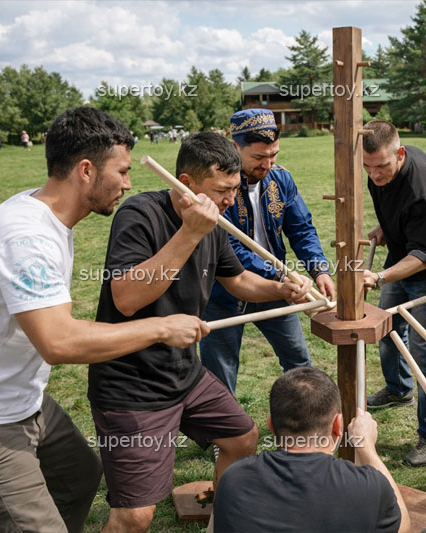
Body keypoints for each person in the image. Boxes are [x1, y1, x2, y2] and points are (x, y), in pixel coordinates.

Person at [0, 107, 210, 532]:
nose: (128, 182)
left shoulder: (47, 218)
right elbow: (59, 342)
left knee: (79, 478)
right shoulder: (26, 236)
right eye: (120, 171)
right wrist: (161, 327)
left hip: (22, 400)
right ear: (86, 170)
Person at [88, 131, 312, 532]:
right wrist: (190, 231)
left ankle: (220, 518)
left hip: (184, 373)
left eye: (235, 189)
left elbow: (238, 279)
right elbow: (127, 298)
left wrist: (281, 290)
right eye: (223, 190)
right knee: (134, 517)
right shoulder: (141, 214)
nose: (231, 200)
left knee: (242, 439)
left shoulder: (216, 221)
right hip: (131, 384)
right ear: (186, 184)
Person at [200, 109, 335, 394]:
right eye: (260, 157)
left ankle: (306, 427)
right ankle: (223, 436)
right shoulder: (218, 187)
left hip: (277, 291)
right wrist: (283, 278)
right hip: (223, 292)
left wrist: (318, 269)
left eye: (273, 154)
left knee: (299, 361)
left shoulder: (281, 179)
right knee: (219, 372)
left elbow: (301, 228)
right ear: (235, 147)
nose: (269, 163)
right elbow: (230, 248)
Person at [361, 120, 426, 467]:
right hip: (400, 260)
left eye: (382, 167)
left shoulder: (420, 189)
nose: (375, 175)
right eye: (368, 167)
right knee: (386, 331)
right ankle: (398, 388)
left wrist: (378, 277)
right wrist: (387, 228)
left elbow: (424, 256)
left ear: (400, 154)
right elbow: (396, 210)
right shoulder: (381, 167)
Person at [213, 367, 410, 533]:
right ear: (338, 426)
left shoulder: (234, 478)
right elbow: (403, 527)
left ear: (271, 424)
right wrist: (366, 446)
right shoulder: (368, 487)